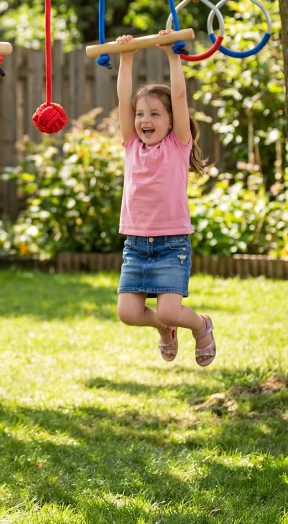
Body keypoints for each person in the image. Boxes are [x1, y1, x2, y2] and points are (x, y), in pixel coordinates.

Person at [115, 30, 216, 366]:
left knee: (171, 310)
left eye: (155, 114)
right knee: (128, 312)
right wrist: (126, 58)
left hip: (172, 244)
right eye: (141, 114)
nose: (145, 120)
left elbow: (181, 95)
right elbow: (123, 98)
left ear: (173, 121)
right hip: (136, 244)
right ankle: (165, 329)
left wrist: (174, 56)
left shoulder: (177, 144)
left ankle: (201, 326)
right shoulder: (132, 145)